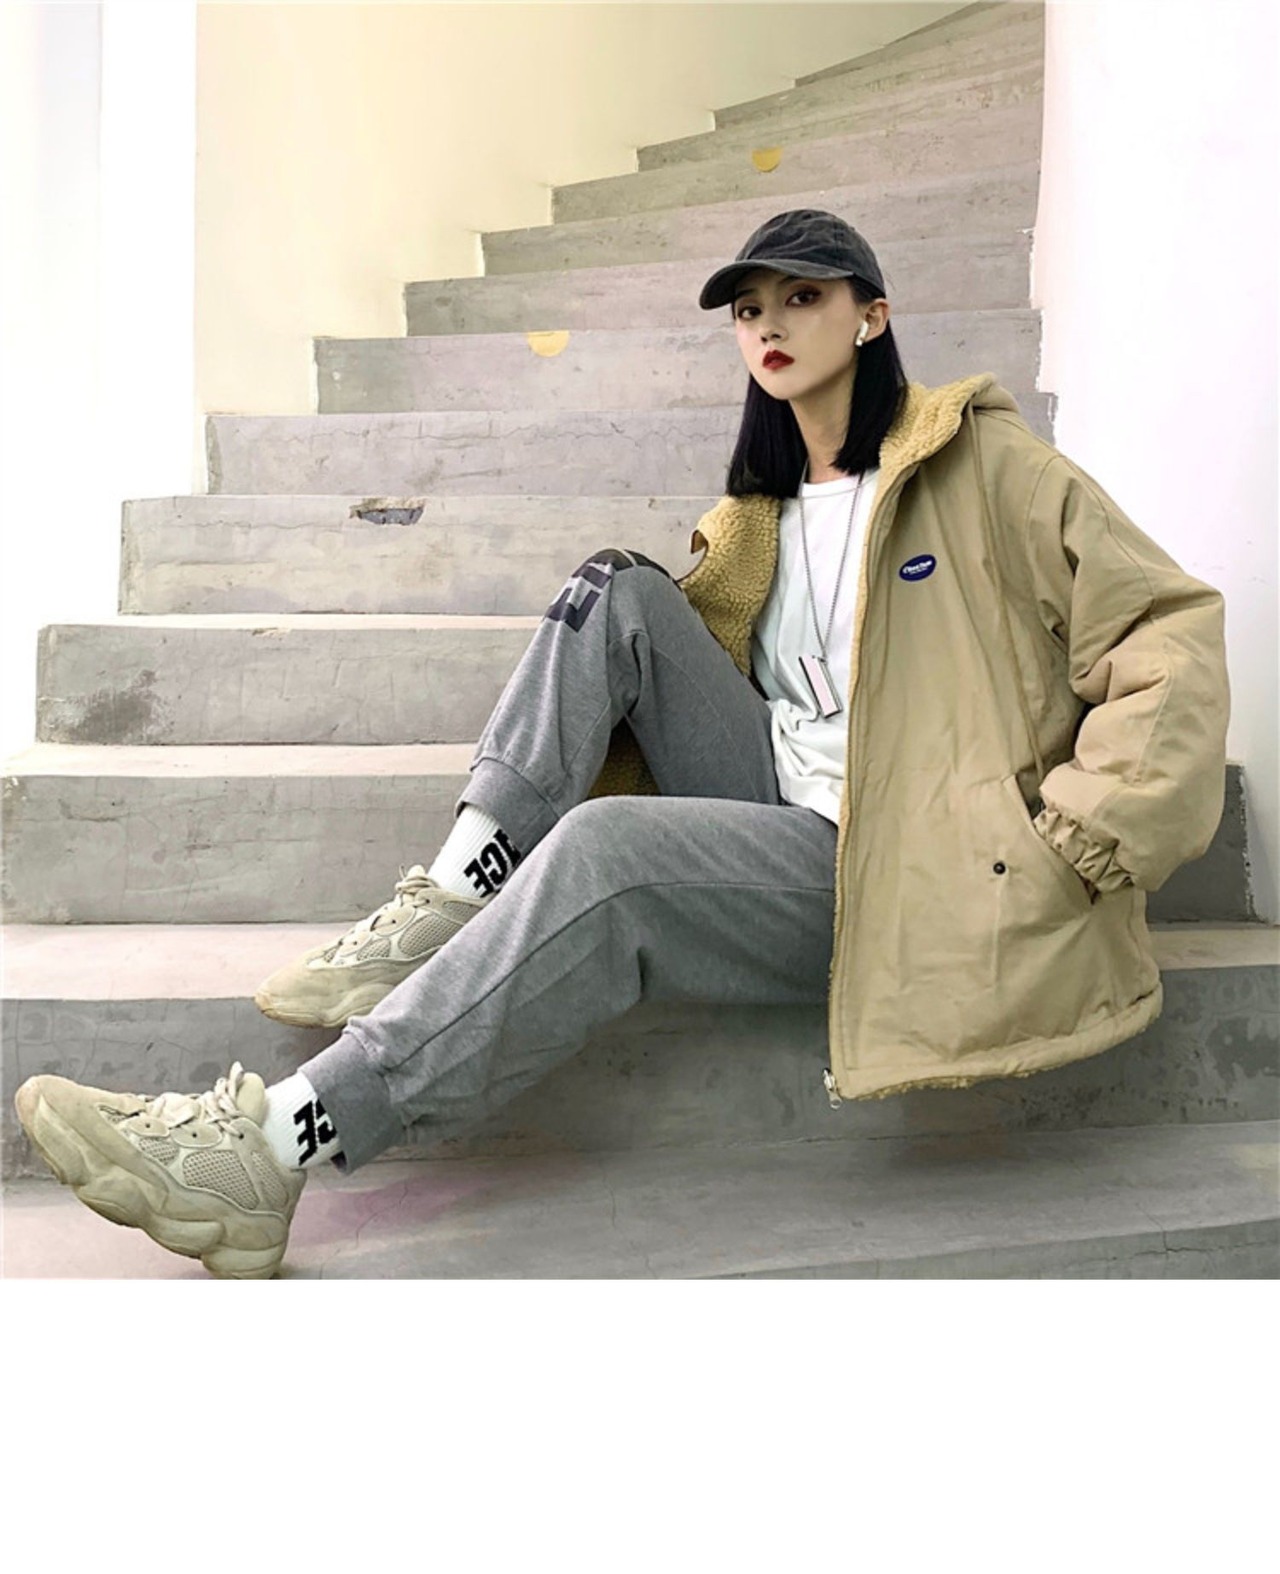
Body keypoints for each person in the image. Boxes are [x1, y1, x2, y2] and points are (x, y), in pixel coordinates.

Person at [13, 209, 1230, 1279]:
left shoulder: (984, 467)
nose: (769, 324)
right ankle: (455, 898)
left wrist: (1080, 832)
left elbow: (1165, 628)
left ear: (871, 315)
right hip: (772, 792)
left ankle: (271, 1147)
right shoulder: (754, 514)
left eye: (801, 297)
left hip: (890, 862)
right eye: (747, 309)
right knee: (615, 590)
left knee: (607, 851)